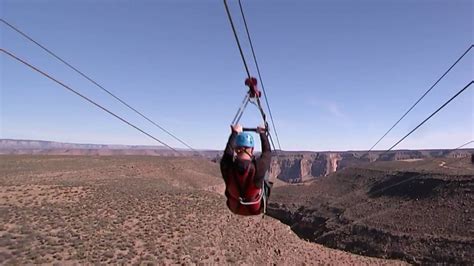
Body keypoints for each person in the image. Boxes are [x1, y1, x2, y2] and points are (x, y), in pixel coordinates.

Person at [220, 124, 272, 215]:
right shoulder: (259, 167)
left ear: (236, 149)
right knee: (265, 177)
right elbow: (267, 152)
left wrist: (234, 133)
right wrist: (262, 133)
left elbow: (228, 152)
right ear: (252, 150)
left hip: (234, 207)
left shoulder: (226, 166)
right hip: (254, 209)